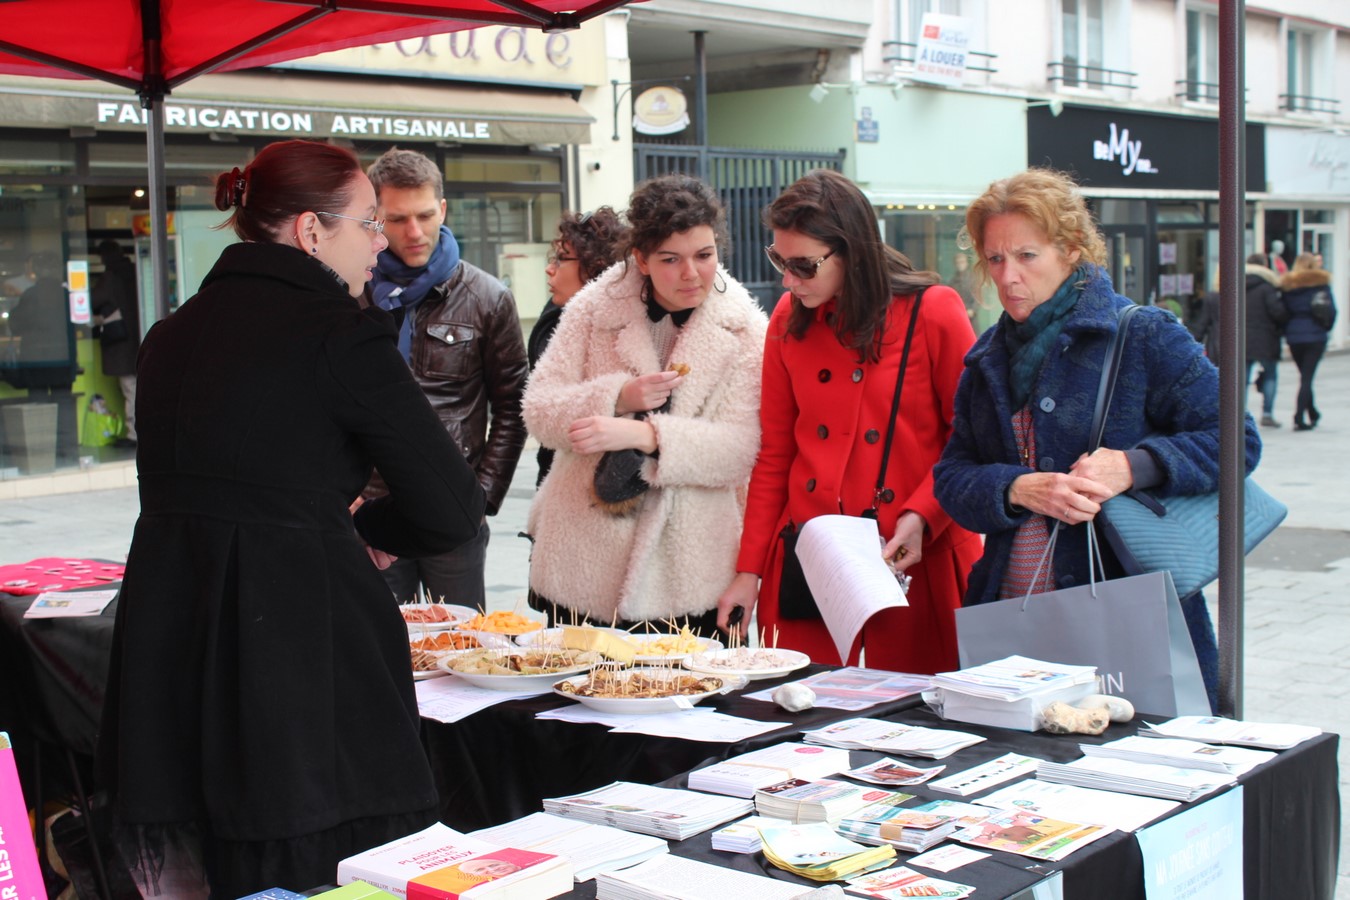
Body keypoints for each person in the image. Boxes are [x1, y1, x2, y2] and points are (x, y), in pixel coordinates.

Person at [98, 139, 486, 898]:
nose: (380, 243)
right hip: (301, 666)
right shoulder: (340, 334)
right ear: (311, 231)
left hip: (170, 652)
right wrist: (367, 531)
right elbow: (450, 509)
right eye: (368, 223)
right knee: (322, 874)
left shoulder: (169, 336)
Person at [933, 168, 1262, 713]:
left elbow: (1236, 441)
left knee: (1144, 774)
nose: (1008, 275)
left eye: (1027, 256)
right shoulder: (986, 359)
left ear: (1071, 250)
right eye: (995, 259)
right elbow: (952, 478)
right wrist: (1017, 488)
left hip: (1125, 612)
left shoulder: (1144, 334)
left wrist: (1136, 465)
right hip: (1013, 611)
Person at [716, 169, 981, 672]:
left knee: (920, 725)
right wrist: (748, 571)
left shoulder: (933, 311)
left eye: (803, 265)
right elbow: (775, 455)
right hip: (812, 564)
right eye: (779, 259)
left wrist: (924, 514)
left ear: (851, 252)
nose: (787, 280)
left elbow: (970, 436)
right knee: (804, 720)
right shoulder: (786, 321)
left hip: (910, 558)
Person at [523, 174, 767, 633]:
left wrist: (647, 435)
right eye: (671, 259)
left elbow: (741, 449)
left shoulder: (747, 329)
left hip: (691, 571)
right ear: (642, 257)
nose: (691, 274)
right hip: (584, 562)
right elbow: (538, 408)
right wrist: (616, 396)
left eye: (704, 255)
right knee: (574, 700)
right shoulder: (594, 308)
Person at [365, 148, 529, 607]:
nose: (414, 232)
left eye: (423, 215)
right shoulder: (353, 292)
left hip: (453, 506)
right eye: (397, 219)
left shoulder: (487, 297)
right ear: (375, 218)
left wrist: (481, 498)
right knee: (380, 650)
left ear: (442, 208)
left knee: (461, 650)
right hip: (370, 505)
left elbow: (514, 406)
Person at [528, 207, 629, 485]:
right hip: (557, 481)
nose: (550, 269)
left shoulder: (621, 326)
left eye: (561, 260)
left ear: (594, 266)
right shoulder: (556, 316)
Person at [5, 251, 79, 459]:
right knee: (64, 404)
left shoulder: (30, 295)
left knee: (38, 408)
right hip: (64, 357)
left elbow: (15, 324)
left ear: (36, 272)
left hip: (36, 359)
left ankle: (42, 453)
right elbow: (80, 323)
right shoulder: (67, 295)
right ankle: (68, 451)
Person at [91, 238, 141, 446]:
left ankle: (134, 435)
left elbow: (93, 300)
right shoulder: (136, 270)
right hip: (143, 337)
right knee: (138, 387)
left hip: (124, 343)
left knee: (130, 388)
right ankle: (140, 433)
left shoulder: (111, 277)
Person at [1281, 252, 1337, 431]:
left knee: (1305, 376)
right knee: (1307, 377)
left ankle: (1312, 412)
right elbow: (1331, 310)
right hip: (1315, 335)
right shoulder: (1321, 284)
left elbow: (1281, 312)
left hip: (1294, 336)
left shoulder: (1288, 286)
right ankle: (1299, 416)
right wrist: (1325, 329)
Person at [1242, 253, 1288, 428]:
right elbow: (1278, 312)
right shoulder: (1268, 288)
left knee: (1242, 379)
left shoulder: (1235, 285)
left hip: (1242, 339)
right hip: (1266, 338)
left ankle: (1240, 414)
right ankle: (1267, 413)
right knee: (1270, 376)